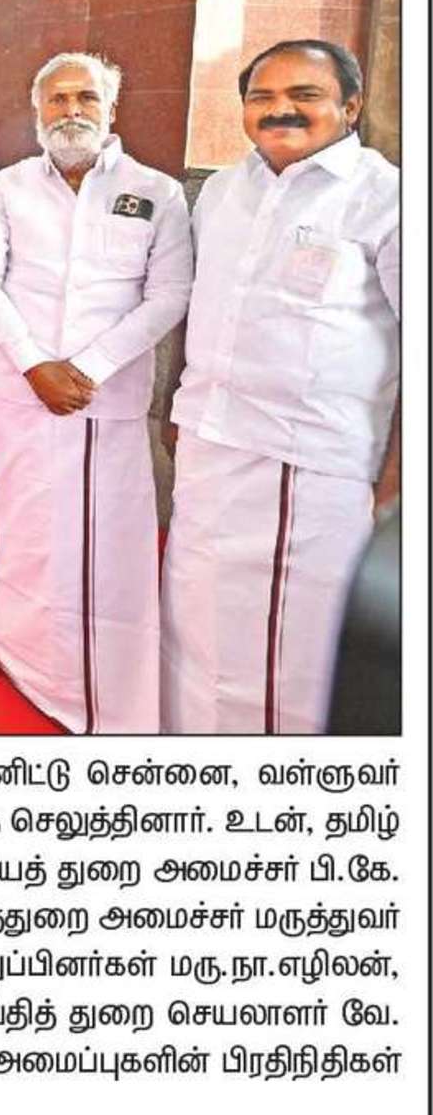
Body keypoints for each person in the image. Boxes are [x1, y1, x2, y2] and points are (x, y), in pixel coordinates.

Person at [161, 39, 400, 733]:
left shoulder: (385, 198)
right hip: (209, 441)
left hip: (308, 462)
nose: (280, 110)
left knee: (283, 651)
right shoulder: (222, 191)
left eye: (304, 95)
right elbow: (203, 305)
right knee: (197, 622)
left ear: (350, 107)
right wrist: (177, 404)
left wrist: (397, 478)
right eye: (262, 97)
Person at [0, 53, 192, 732]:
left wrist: (87, 367)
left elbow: (169, 294)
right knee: (25, 526)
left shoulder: (158, 192)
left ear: (111, 109)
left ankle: (109, 668)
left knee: (108, 538)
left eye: (86, 98)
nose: (71, 111)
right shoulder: (4, 189)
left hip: (106, 399)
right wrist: (36, 365)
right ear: (37, 111)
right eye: (57, 99)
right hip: (19, 390)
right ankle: (13, 646)